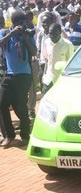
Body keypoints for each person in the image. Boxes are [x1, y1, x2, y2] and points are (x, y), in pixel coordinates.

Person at [0, 11, 37, 147]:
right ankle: (9, 135)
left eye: (24, 23)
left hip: (24, 75)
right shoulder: (5, 33)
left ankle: (25, 136)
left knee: (21, 106)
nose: (22, 26)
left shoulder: (27, 33)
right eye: (19, 24)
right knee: (2, 104)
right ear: (14, 24)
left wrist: (26, 39)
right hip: (9, 75)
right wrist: (12, 34)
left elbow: (34, 52)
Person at [42, 23, 74, 94]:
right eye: (50, 34)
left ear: (60, 32)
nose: (52, 36)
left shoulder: (68, 44)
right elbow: (46, 60)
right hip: (48, 79)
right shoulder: (46, 42)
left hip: (61, 80)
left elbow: (70, 64)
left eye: (54, 34)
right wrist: (44, 74)